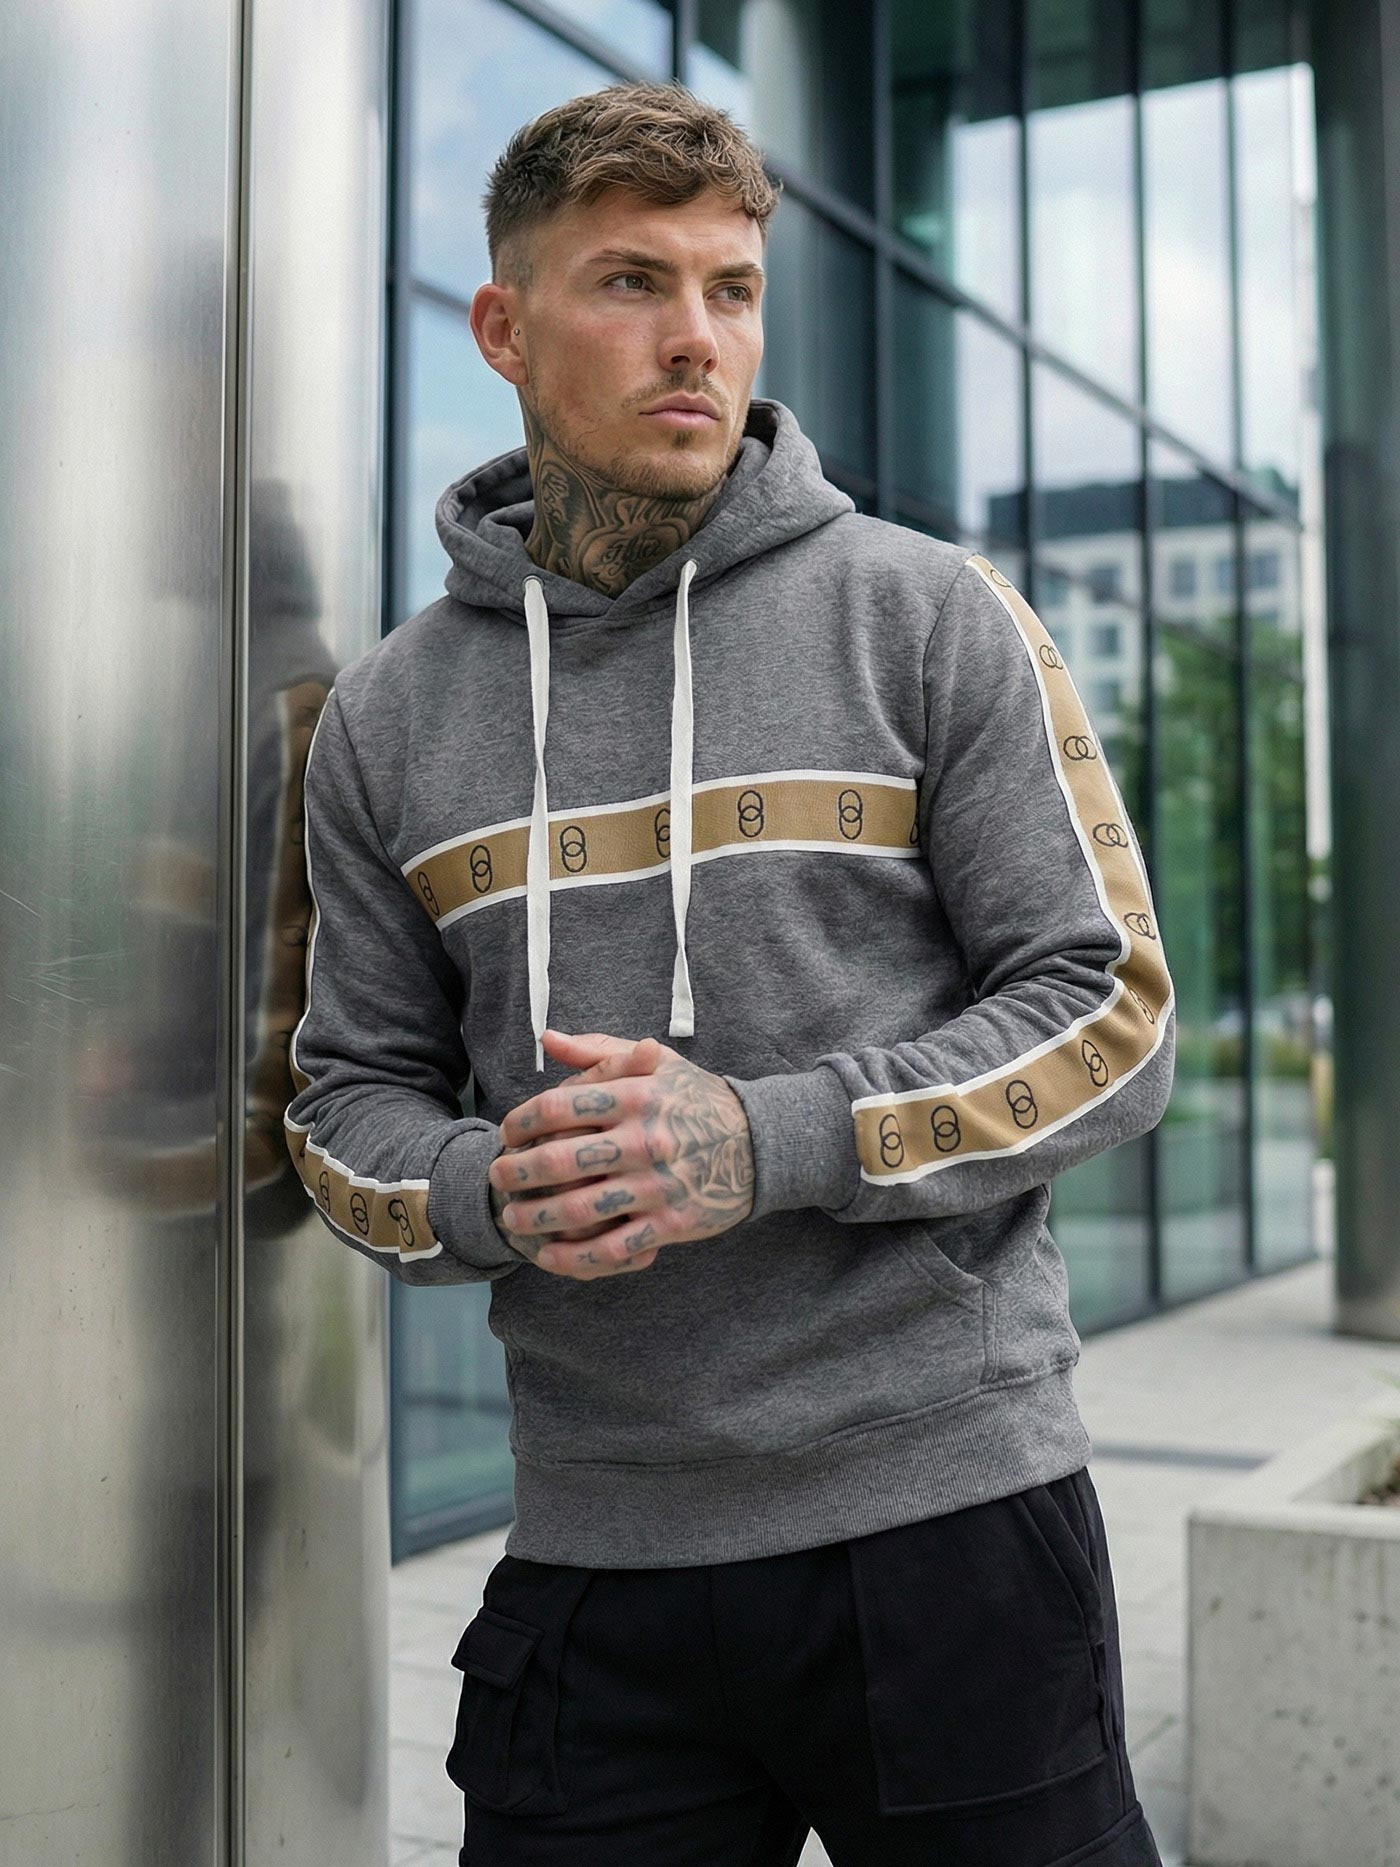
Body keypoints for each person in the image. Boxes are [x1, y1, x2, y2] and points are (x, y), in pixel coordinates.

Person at [284, 77, 1175, 1867]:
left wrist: (762, 1142)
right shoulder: (387, 715)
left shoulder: (930, 614)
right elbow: (340, 1104)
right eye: (632, 282)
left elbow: (1110, 1013)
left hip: (949, 1532)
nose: (698, 337)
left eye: (732, 287)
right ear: (503, 331)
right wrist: (483, 1189)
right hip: (595, 1556)